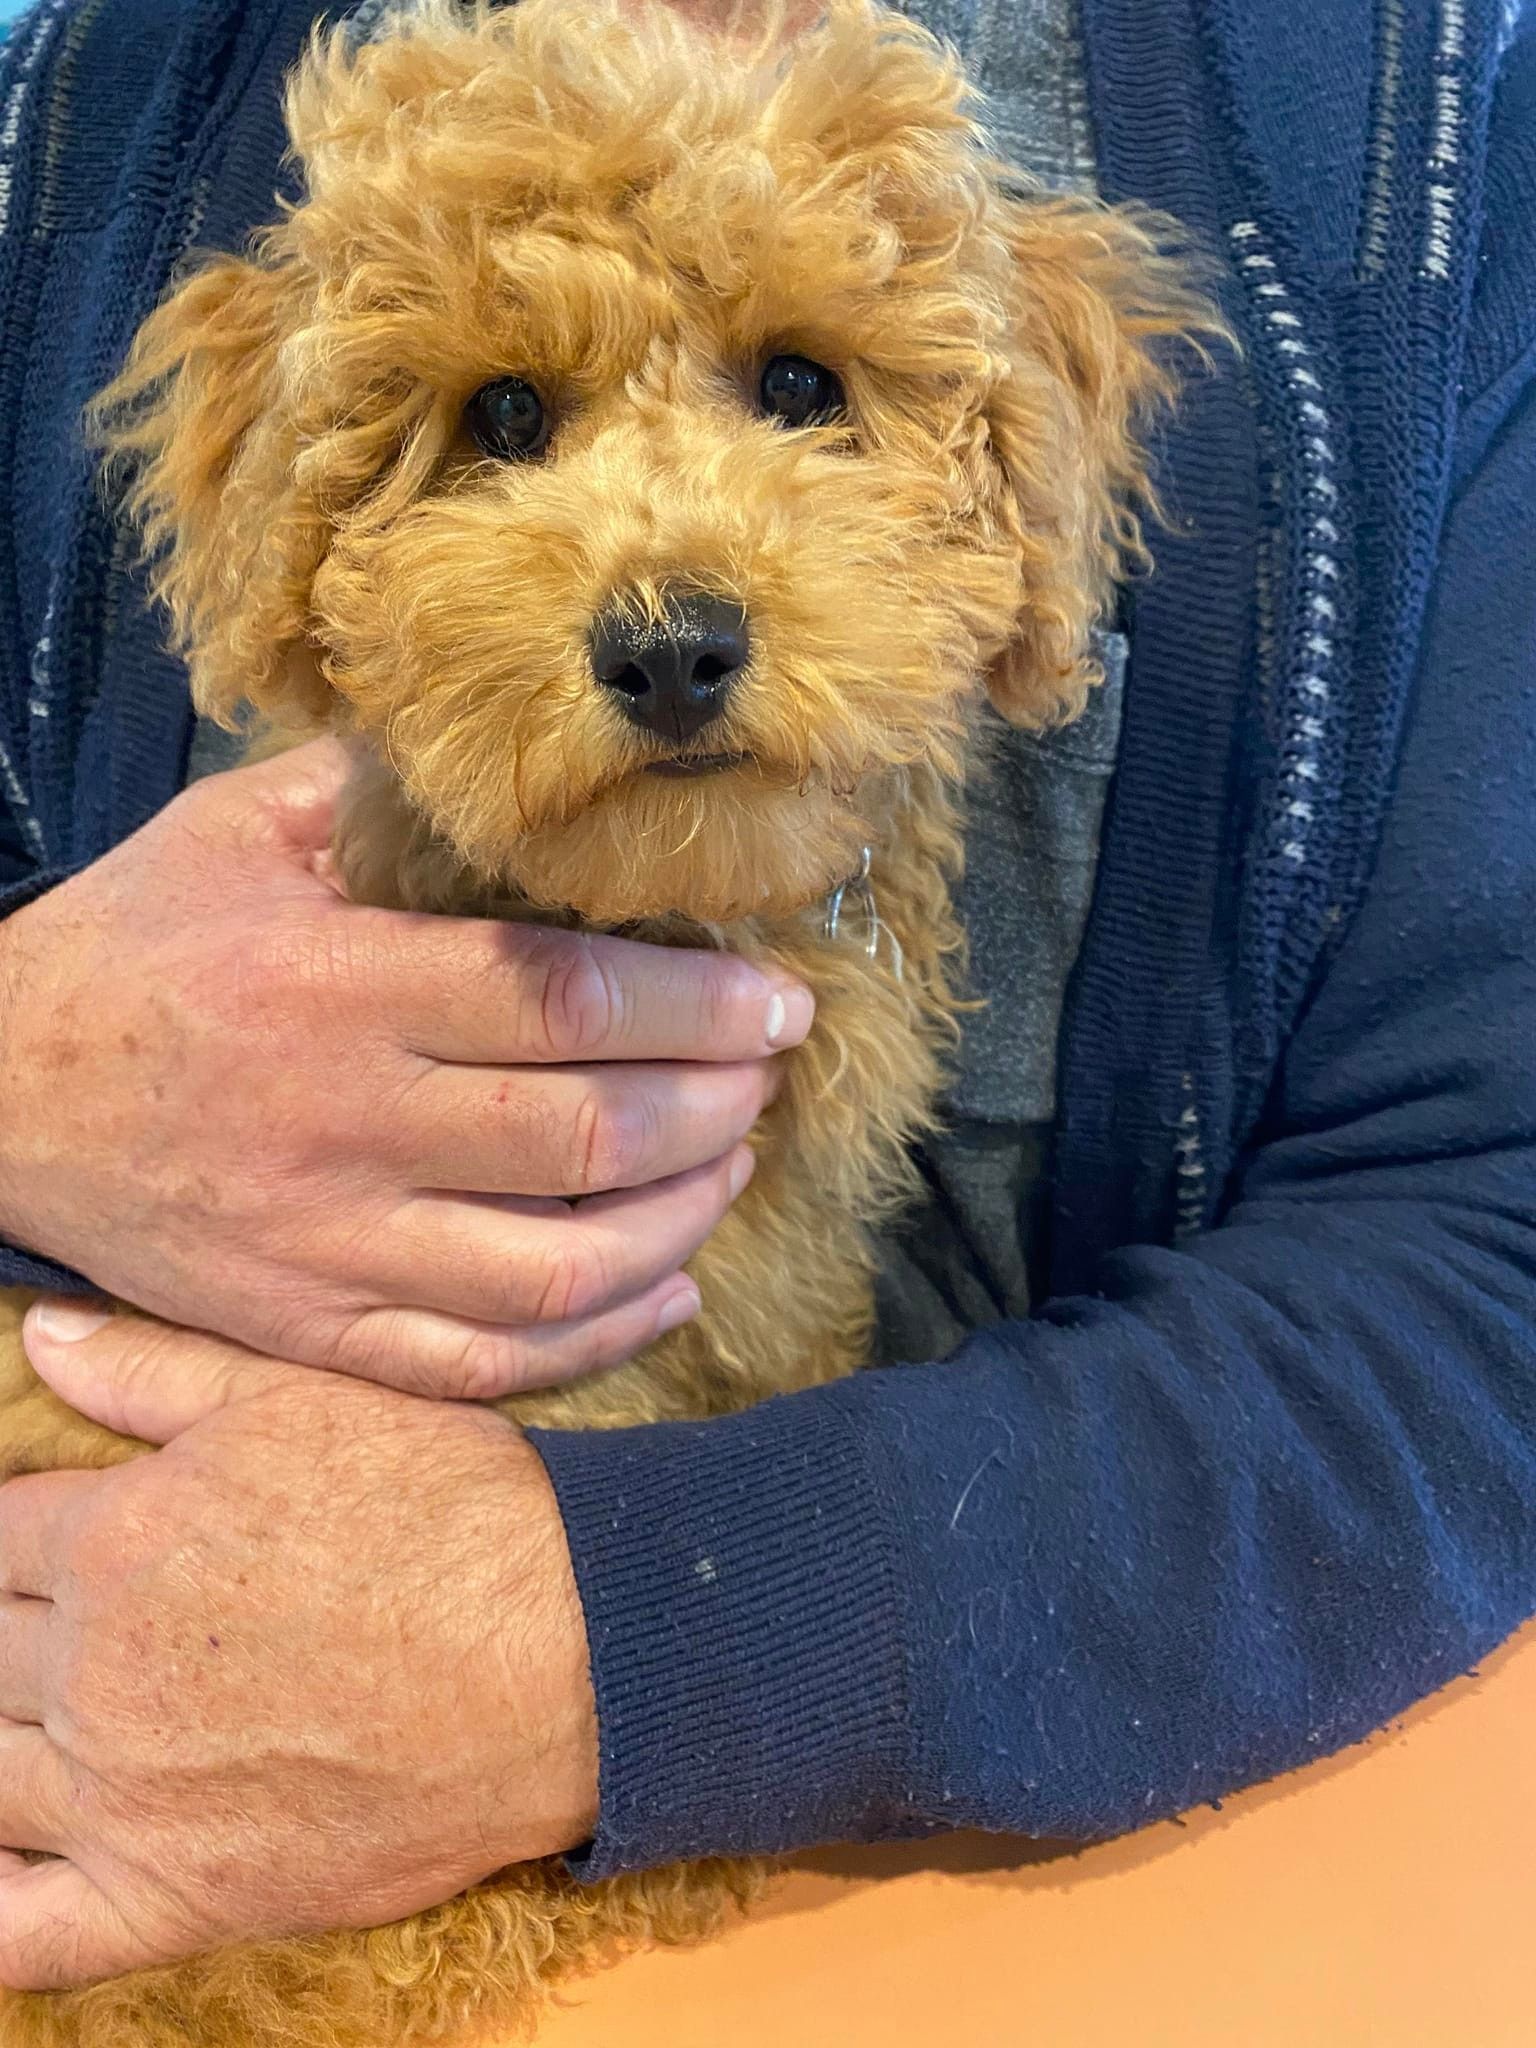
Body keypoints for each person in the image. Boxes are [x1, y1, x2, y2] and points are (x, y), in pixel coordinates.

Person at [0, 0, 1533, 1995]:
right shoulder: (66, 119)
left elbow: (1488, 1244)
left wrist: (629, 1636)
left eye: (801, 385)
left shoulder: (1427, 123)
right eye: (503, 419)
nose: (665, 603)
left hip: (1040, 1861)